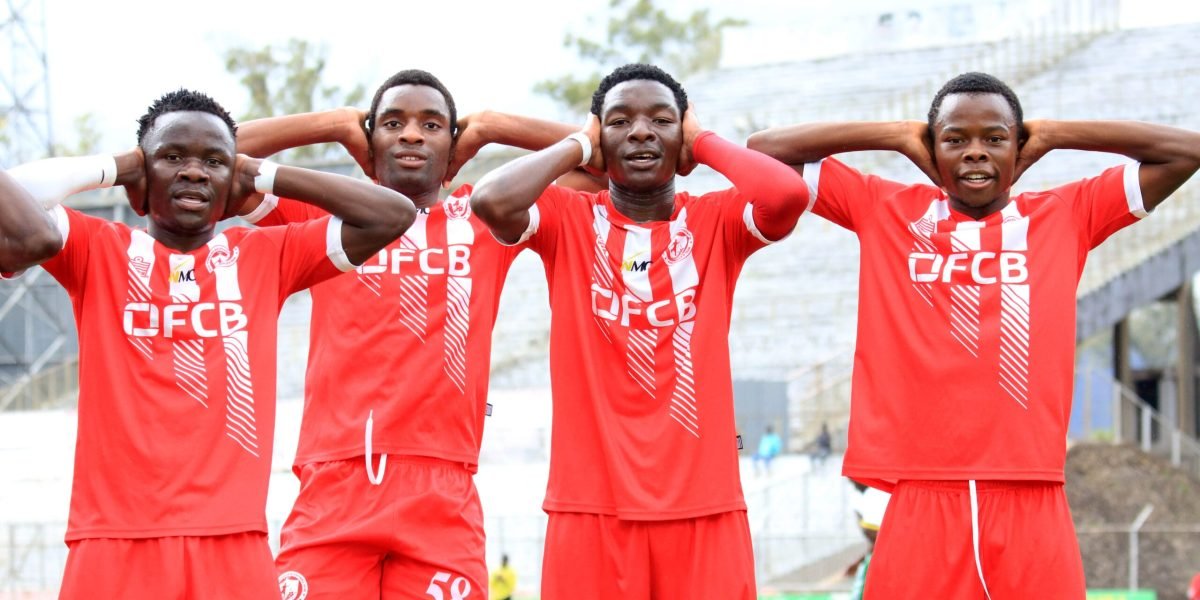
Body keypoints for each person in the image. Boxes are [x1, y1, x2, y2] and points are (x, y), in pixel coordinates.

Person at [748, 72, 1200, 599]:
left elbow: (1186, 153)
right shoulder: (885, 208)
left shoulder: (1065, 215)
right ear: (931, 149)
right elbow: (767, 152)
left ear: (1019, 147)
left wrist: (1054, 133)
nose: (976, 153)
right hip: (919, 493)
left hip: (1031, 494)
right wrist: (895, 134)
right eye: (955, 139)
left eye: (995, 138)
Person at [1, 89, 415, 599]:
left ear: (231, 183)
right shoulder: (96, 248)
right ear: (141, 178)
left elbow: (393, 214)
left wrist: (259, 175)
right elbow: (12, 192)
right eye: (172, 157)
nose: (194, 172)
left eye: (214, 162)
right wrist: (119, 166)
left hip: (233, 543)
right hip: (111, 539)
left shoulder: (267, 255)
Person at [233, 69, 599, 599]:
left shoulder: (486, 213)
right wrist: (335, 123)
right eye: (392, 123)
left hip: (442, 489)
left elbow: (602, 166)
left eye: (432, 125)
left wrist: (492, 126)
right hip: (334, 484)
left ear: (453, 146)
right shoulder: (329, 214)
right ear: (370, 140)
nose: (410, 135)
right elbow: (219, 157)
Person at [470, 63, 809, 600]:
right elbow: (490, 200)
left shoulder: (717, 222)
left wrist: (707, 142)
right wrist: (577, 144)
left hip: (706, 506)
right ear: (599, 140)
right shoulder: (567, 217)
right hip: (589, 508)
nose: (642, 132)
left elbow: (787, 195)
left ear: (683, 138)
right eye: (620, 121)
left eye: (662, 121)